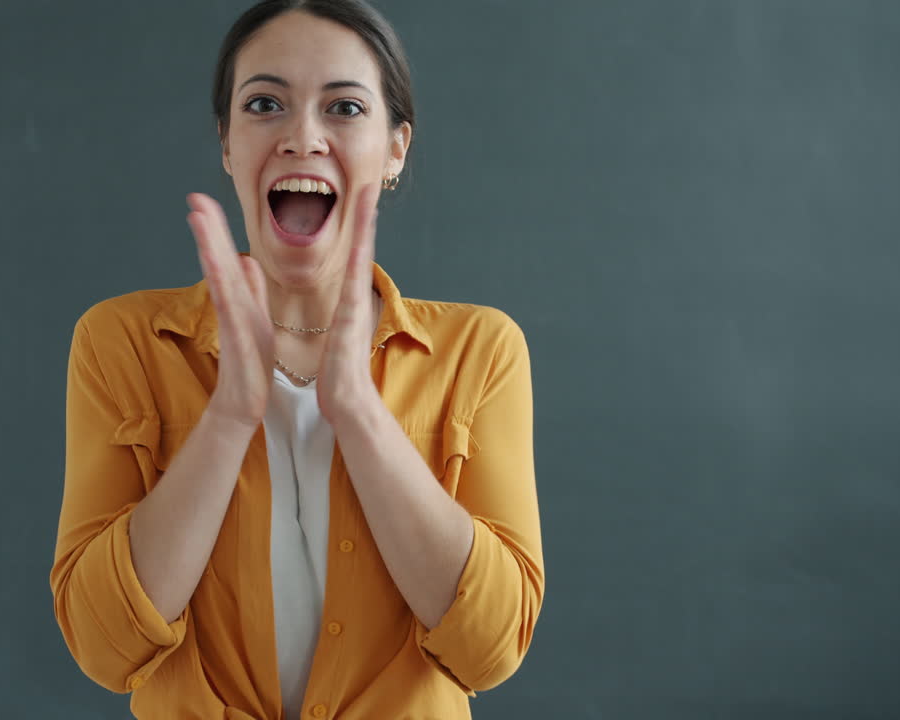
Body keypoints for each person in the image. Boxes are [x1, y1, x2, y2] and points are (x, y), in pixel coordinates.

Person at [49, 1, 544, 717]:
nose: (302, 137)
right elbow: (105, 648)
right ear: (227, 143)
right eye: (265, 104)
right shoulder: (120, 342)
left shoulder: (482, 352)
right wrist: (226, 419)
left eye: (343, 107)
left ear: (396, 147)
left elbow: (490, 650)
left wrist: (360, 415)